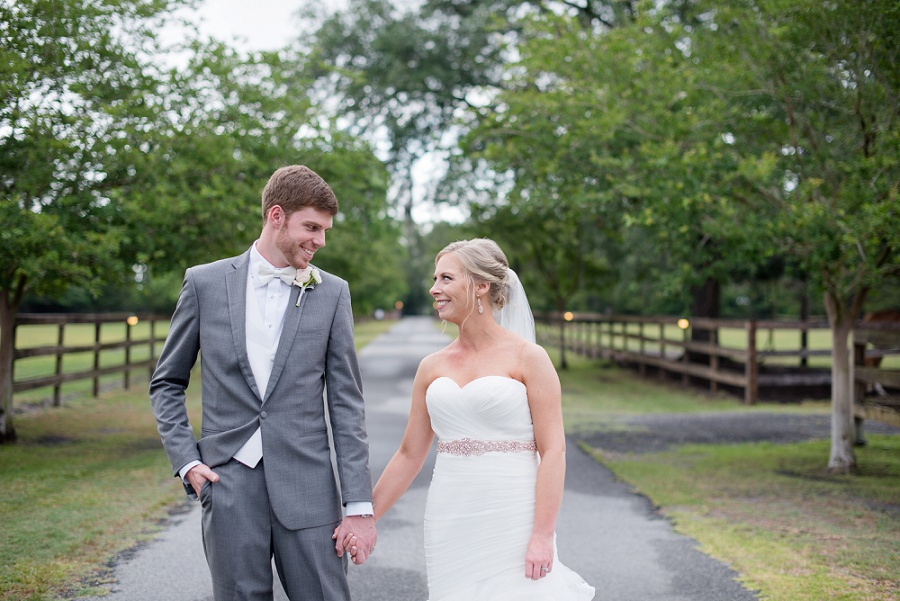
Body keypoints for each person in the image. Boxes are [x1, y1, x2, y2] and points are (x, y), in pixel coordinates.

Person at [150, 165, 376, 601]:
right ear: (276, 216)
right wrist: (186, 461)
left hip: (310, 489)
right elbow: (167, 382)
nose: (321, 241)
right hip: (227, 486)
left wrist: (359, 506)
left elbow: (346, 403)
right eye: (311, 227)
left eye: (326, 230)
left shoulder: (332, 292)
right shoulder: (204, 283)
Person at [344, 238, 595, 600]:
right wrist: (366, 518)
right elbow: (409, 454)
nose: (434, 289)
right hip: (451, 513)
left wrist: (542, 534)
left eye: (446, 278)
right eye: (435, 279)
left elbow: (554, 450)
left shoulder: (529, 358)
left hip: (514, 513)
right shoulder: (431, 367)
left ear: (481, 286)